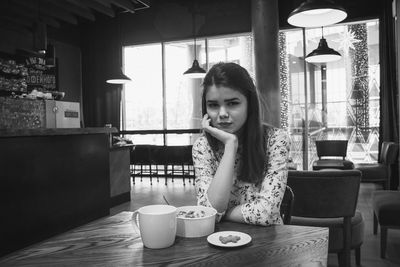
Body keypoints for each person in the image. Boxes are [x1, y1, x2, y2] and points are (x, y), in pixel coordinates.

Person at [192, 62, 290, 226]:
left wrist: (221, 214)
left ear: (249, 104)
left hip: (267, 242)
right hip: (218, 241)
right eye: (213, 105)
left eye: (232, 103)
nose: (222, 114)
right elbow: (207, 213)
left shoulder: (275, 140)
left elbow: (266, 213)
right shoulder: (203, 147)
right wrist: (230, 145)